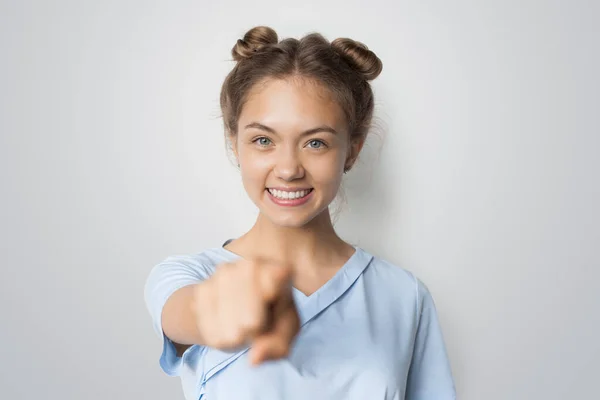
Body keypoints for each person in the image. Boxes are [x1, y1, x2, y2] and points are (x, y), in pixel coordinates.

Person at [144, 26, 456, 400]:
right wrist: (226, 311)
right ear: (235, 144)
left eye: (315, 142)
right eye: (263, 140)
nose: (289, 168)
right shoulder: (186, 276)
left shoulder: (405, 296)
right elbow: (193, 313)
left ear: (352, 150)